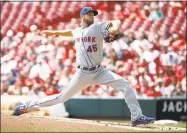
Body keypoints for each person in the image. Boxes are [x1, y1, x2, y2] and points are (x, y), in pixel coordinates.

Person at [13, 7, 155, 126]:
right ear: (82, 16)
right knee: (61, 98)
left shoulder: (98, 27)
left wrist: (114, 30)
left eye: (93, 14)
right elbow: (70, 32)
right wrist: (54, 32)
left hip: (99, 71)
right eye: (89, 14)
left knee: (125, 84)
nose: (92, 16)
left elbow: (115, 23)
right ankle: (27, 106)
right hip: (82, 74)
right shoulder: (77, 31)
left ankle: (137, 117)